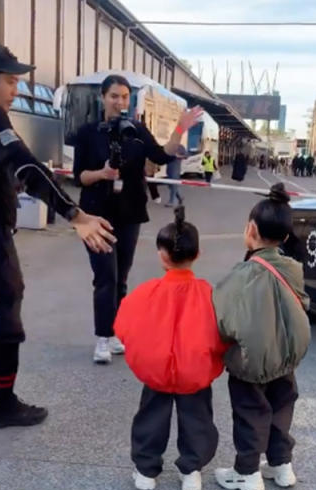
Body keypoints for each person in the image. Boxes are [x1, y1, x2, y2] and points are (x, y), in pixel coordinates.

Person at [0, 41, 116, 435]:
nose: (16, 89)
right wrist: (75, 214)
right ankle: (4, 405)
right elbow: (27, 167)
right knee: (5, 326)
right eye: (11, 80)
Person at [72, 74, 203, 364]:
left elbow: (163, 155)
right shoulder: (88, 133)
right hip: (96, 215)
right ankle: (102, 338)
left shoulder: (137, 130)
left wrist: (180, 129)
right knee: (105, 276)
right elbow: (80, 176)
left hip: (129, 213)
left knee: (121, 277)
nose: (119, 102)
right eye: (114, 96)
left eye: (124, 97)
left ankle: (115, 331)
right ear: (102, 97)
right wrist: (102, 174)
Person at [115, 206, 227, 490]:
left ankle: (146, 469)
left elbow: (124, 326)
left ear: (161, 255)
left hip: (156, 371)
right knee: (198, 420)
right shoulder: (210, 294)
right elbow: (223, 333)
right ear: (198, 255)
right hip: (195, 371)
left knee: (150, 418)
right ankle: (191, 470)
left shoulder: (146, 292)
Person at [212, 183, 311, 490]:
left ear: (250, 229)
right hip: (285, 359)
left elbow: (223, 319)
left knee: (250, 415)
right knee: (282, 409)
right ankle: (282, 466)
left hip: (251, 363)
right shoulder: (293, 268)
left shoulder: (241, 274)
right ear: (284, 237)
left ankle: (247, 473)